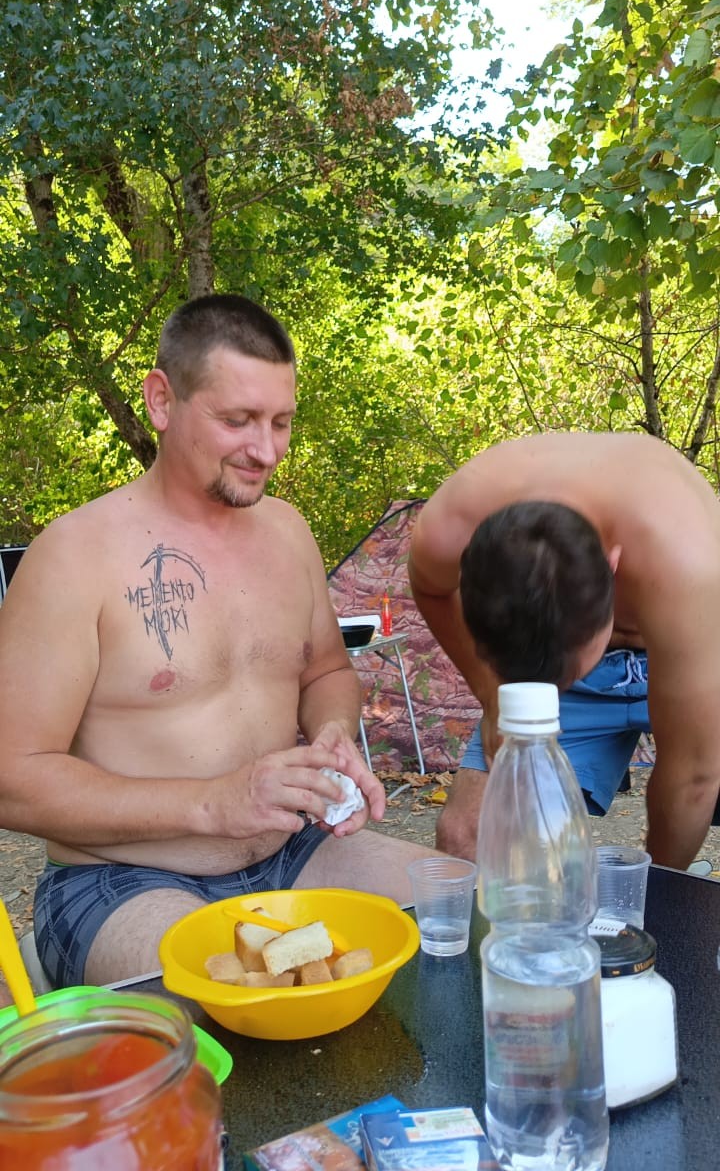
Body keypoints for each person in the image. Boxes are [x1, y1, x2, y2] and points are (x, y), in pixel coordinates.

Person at [0, 293, 430, 994]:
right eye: (237, 420)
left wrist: (333, 736)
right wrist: (212, 804)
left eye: (281, 422)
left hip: (292, 852)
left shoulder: (288, 532)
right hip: (119, 880)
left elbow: (326, 671)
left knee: (464, 917)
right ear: (162, 401)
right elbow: (11, 780)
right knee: (232, 1002)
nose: (267, 450)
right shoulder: (73, 557)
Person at [408, 432, 720, 872]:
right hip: (579, 637)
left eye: (564, 676)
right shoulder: (450, 525)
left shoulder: (686, 560)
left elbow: (695, 776)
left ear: (612, 567)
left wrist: (655, 894)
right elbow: (431, 588)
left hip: (700, 656)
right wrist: (494, 694)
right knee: (468, 837)